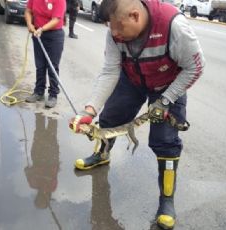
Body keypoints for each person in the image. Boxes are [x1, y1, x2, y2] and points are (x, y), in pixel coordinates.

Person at [69, 0, 205, 228]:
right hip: (131, 79)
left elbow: (196, 67)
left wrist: (165, 101)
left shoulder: (174, 26)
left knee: (165, 142)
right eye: (110, 27)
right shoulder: (115, 29)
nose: (114, 33)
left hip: (169, 85)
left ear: (134, 16)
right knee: (110, 118)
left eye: (118, 28)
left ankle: (167, 200)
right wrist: (89, 110)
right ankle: (102, 155)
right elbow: (111, 69)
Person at [24, 0, 66, 108]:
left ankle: (53, 95)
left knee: (52, 66)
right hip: (37, 33)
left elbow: (56, 19)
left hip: (54, 36)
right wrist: (29, 24)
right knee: (40, 65)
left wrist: (42, 29)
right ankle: (39, 92)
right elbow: (28, 11)